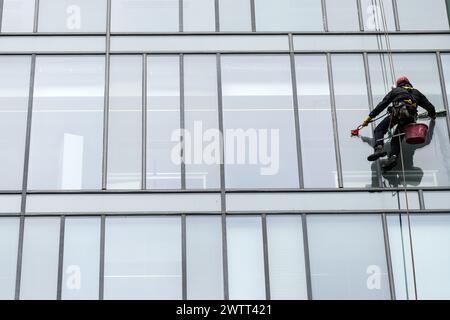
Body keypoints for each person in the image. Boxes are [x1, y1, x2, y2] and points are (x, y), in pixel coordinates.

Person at [362, 76, 436, 171]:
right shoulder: (417, 93)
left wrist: (369, 118)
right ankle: (393, 157)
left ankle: (379, 149)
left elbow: (382, 105)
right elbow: (430, 107)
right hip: (410, 119)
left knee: (379, 129)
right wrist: (432, 116)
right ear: (408, 83)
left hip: (397, 114)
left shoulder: (396, 91)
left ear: (399, 84)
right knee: (396, 140)